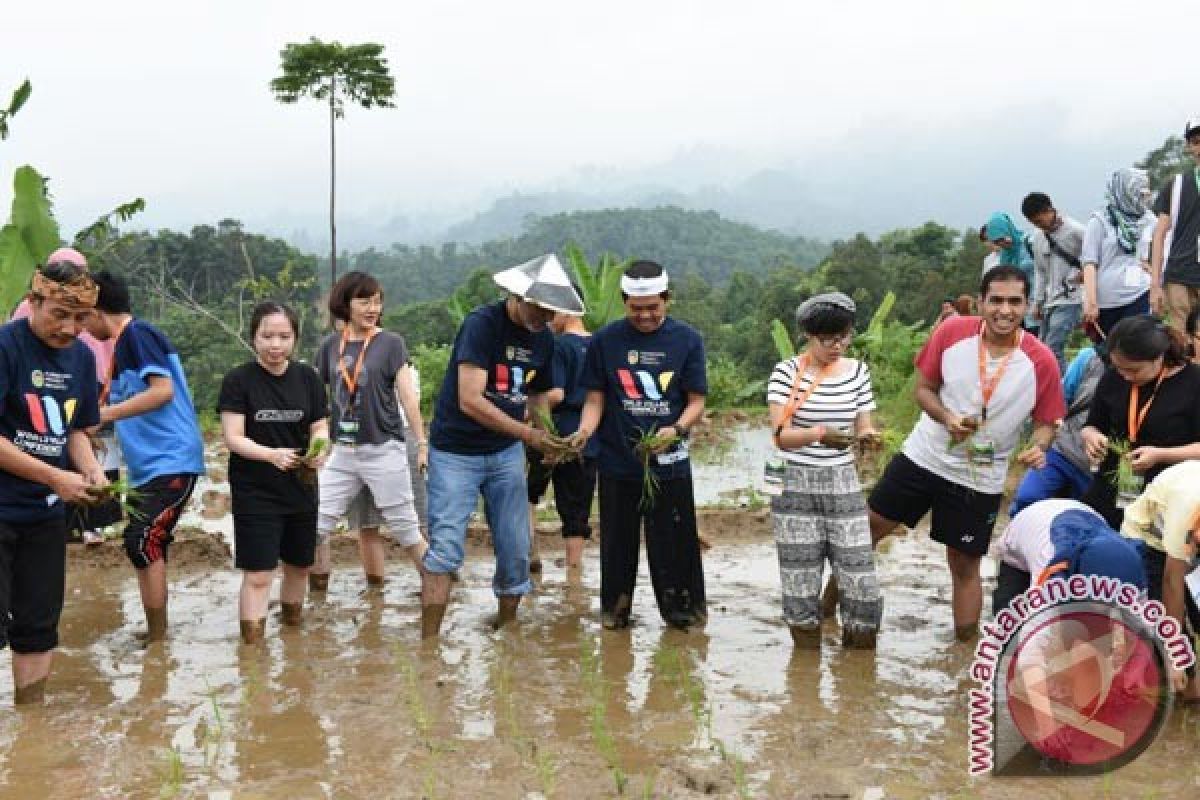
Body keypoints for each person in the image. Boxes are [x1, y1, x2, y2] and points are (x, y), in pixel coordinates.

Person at [865, 265, 1064, 641]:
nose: (1005, 310)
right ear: (980, 302)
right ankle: (827, 612)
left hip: (980, 473)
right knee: (868, 530)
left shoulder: (1041, 362)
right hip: (924, 454)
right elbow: (923, 389)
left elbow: (1047, 422)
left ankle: (965, 651)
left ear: (1028, 306)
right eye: (997, 301)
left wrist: (1038, 448)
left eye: (1015, 302)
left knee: (964, 561)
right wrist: (946, 416)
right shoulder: (952, 333)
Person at [421, 255, 583, 637]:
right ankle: (428, 645)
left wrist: (549, 439)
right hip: (455, 452)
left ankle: (507, 633)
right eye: (539, 308)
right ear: (517, 295)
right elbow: (470, 399)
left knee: (516, 550)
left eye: (550, 311)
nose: (544, 317)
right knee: (445, 549)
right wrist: (529, 436)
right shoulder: (482, 325)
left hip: (504, 453)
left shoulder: (544, 339)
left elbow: (539, 396)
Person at [572, 260, 708, 631]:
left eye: (653, 308)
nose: (645, 316)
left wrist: (675, 429)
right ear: (624, 301)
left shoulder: (687, 340)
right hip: (618, 461)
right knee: (617, 545)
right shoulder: (605, 341)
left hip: (670, 461)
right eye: (636, 309)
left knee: (675, 543)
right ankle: (615, 615)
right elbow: (596, 400)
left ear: (667, 300)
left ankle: (684, 617)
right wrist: (583, 432)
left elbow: (696, 401)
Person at [0, 258, 106, 704]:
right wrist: (52, 475)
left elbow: (76, 429)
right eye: (59, 315)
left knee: (38, 625)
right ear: (33, 302)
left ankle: (30, 725)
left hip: (44, 513)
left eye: (80, 318)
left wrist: (91, 470)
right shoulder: (6, 346)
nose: (69, 328)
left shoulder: (81, 357)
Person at [86, 271, 205, 644]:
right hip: (148, 466)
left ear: (97, 310)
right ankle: (156, 633)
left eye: (82, 316)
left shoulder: (138, 334)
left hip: (171, 457)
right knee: (143, 543)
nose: (81, 326)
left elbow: (162, 391)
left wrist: (103, 416)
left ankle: (158, 640)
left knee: (142, 540)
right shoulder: (122, 346)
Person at [766, 292, 882, 648]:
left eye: (844, 336)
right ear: (808, 336)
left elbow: (864, 420)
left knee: (860, 576)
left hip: (842, 482)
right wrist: (819, 434)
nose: (838, 346)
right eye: (828, 339)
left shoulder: (857, 371)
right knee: (800, 580)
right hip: (795, 485)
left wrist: (868, 436)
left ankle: (860, 669)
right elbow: (780, 435)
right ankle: (804, 679)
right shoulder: (786, 373)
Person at [218, 302, 328, 643]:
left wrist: (319, 450)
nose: (275, 345)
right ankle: (252, 656)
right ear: (254, 336)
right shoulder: (238, 380)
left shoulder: (308, 378)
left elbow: (320, 426)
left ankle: (292, 634)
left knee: (299, 566)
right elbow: (233, 437)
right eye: (267, 336)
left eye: (284, 336)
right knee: (259, 575)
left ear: (295, 339)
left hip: (301, 485)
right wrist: (271, 455)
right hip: (256, 490)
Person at [311, 272, 427, 591]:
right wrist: (312, 444)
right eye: (364, 301)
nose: (372, 308)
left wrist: (421, 443)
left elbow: (407, 396)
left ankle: (438, 593)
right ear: (345, 304)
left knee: (406, 530)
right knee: (314, 526)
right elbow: (316, 399)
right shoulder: (330, 347)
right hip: (343, 452)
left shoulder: (391, 343)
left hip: (383, 448)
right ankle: (296, 606)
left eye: (377, 301)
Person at [1079, 316, 1200, 529]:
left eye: (1134, 370)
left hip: (1164, 496)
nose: (1125, 376)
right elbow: (1092, 424)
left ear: (1159, 358)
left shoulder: (1193, 384)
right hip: (1111, 488)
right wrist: (1091, 437)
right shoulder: (1113, 377)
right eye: (1119, 368)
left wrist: (1161, 455)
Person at [526, 302, 597, 573]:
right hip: (587, 435)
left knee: (528, 494)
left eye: (552, 313)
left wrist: (525, 414)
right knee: (578, 506)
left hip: (552, 431)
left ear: (568, 311)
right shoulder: (599, 345)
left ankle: (530, 551)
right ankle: (574, 567)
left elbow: (555, 393)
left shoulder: (558, 346)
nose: (548, 319)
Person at [1120, 460, 1200, 701]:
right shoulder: (1186, 506)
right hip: (1145, 540)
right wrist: (1174, 650)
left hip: (1186, 533)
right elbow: (1171, 582)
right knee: (1170, 633)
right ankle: (1173, 683)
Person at [993, 499, 1146, 614]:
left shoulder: (1131, 565)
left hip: (1084, 516)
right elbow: (1038, 629)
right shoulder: (1050, 558)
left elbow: (1141, 624)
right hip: (1026, 532)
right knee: (1010, 624)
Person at [1009, 345, 1107, 515]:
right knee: (1028, 498)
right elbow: (1060, 399)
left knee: (1079, 519)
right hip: (1062, 450)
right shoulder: (1089, 357)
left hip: (1097, 470)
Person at [1081, 168, 1154, 341]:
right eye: (1139, 194)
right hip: (1107, 299)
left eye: (1145, 194)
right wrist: (1091, 301)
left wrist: (1153, 274)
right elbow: (1089, 262)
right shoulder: (1100, 221)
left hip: (1139, 293)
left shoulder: (1149, 220)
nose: (1143, 199)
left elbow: (1155, 255)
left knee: (1138, 346)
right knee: (1112, 351)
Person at [1022, 192, 1086, 372]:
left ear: (1049, 211)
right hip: (1051, 300)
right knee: (1041, 348)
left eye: (1039, 221)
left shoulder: (1076, 230)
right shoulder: (1038, 238)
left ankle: (1063, 388)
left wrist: (1086, 274)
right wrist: (1037, 302)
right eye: (1034, 223)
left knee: (1052, 346)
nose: (1039, 226)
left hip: (1072, 298)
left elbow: (1097, 256)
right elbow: (1040, 272)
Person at [1150, 117, 1200, 332]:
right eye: (1196, 141)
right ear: (1189, 147)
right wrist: (1155, 285)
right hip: (1179, 273)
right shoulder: (1177, 185)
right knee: (1180, 340)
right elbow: (1160, 234)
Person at [981, 212, 1039, 333]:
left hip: (1036, 305)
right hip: (1015, 307)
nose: (1002, 243)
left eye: (1003, 238)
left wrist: (1040, 301)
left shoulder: (1030, 243)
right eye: (997, 241)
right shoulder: (1004, 255)